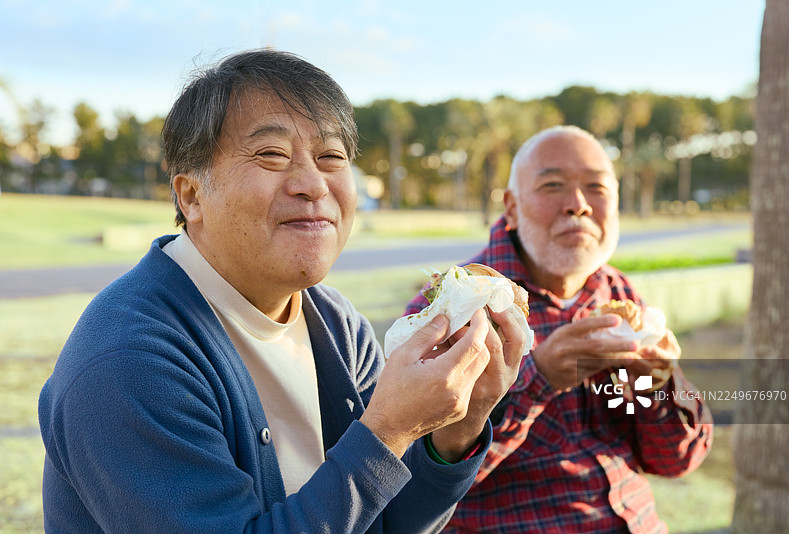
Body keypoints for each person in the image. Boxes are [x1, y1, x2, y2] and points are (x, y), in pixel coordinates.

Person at [38, 49, 527, 534]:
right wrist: (387, 431)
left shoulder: (337, 325)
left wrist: (461, 424)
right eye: (271, 155)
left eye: (331, 156)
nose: (313, 184)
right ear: (191, 196)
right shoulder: (132, 360)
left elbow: (388, 522)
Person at [405, 125, 713, 533]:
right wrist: (541, 376)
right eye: (553, 185)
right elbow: (418, 483)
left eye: (597, 188)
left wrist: (659, 387)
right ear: (511, 207)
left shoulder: (619, 292)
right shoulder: (454, 302)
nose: (579, 205)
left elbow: (676, 460)